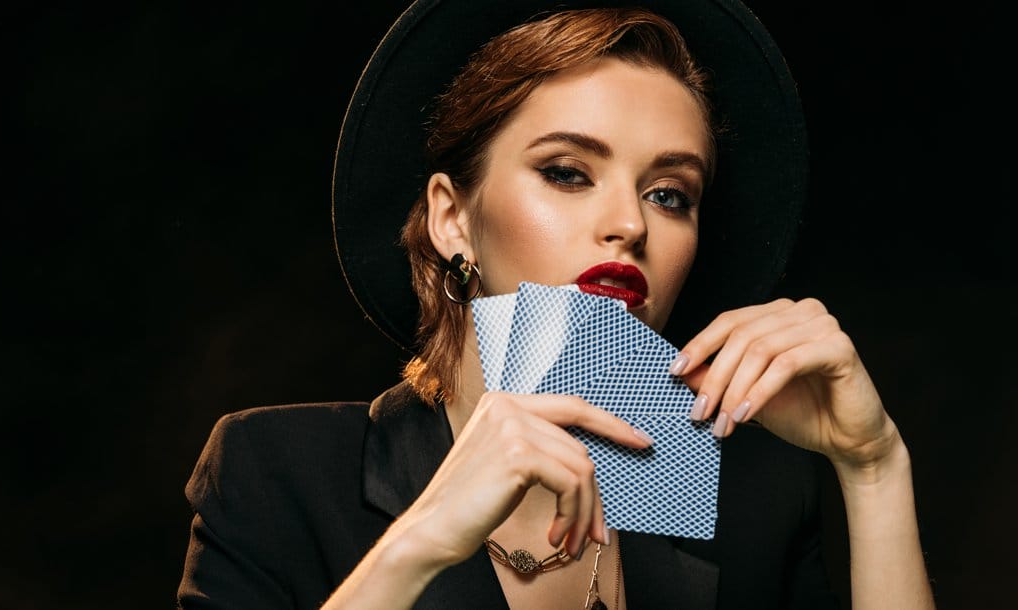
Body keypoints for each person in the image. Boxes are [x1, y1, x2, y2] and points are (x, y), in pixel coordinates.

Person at [177, 1, 936, 608]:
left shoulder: (757, 502)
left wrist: (873, 468)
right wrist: (424, 541)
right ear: (451, 219)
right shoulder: (274, 473)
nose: (631, 224)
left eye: (670, 194)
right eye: (569, 172)